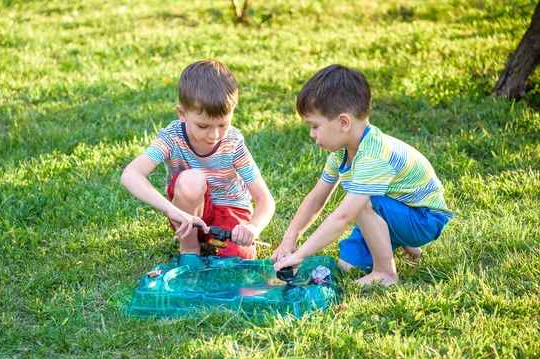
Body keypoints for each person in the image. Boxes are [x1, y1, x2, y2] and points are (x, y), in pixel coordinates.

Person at [271, 65, 452, 286]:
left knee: (362, 201)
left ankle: (386, 271)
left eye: (315, 126)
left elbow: (344, 216)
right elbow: (317, 198)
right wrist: (290, 239)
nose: (311, 134)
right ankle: (401, 241)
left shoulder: (373, 156)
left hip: (425, 218)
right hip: (398, 208)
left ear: (343, 122)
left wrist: (301, 255)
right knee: (348, 266)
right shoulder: (342, 151)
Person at [120, 59, 275, 259]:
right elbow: (130, 175)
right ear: (182, 113)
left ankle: (224, 246)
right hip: (189, 216)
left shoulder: (233, 142)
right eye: (203, 126)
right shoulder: (172, 138)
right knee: (192, 179)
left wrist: (253, 227)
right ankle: (190, 250)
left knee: (240, 257)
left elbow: (264, 199)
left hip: (231, 211)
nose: (214, 135)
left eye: (223, 125)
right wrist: (172, 211)